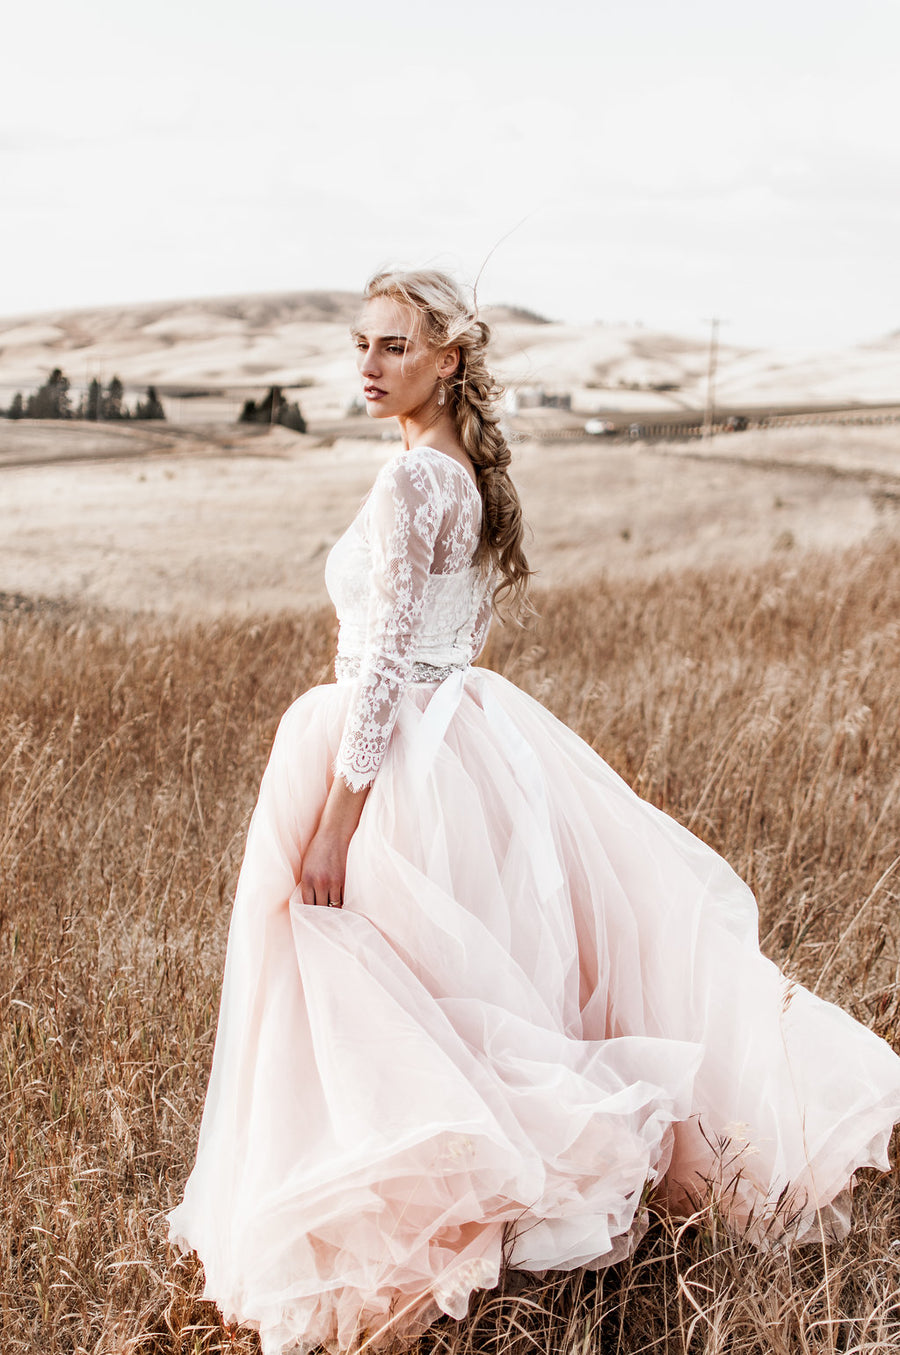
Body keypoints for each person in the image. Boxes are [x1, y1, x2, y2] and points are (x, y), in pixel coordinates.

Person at [168, 268, 900, 1355]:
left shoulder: (414, 481)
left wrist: (335, 816)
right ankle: (481, 1223)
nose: (367, 367)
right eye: (360, 346)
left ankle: (420, 1226)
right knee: (458, 995)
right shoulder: (450, 470)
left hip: (393, 757)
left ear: (448, 359)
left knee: (370, 993)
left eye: (393, 348)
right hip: (461, 744)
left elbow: (380, 665)